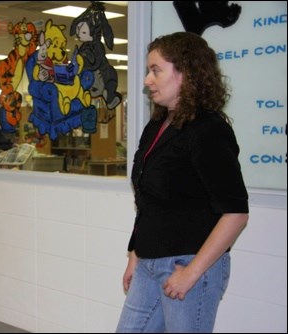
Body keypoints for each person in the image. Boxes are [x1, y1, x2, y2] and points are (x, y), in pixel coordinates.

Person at [116, 32, 249, 333]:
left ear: (185, 73)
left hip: (187, 265)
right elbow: (149, 201)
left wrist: (191, 273)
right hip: (150, 262)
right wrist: (135, 255)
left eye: (156, 70)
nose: (147, 80)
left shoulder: (208, 130)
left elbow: (236, 213)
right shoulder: (158, 125)